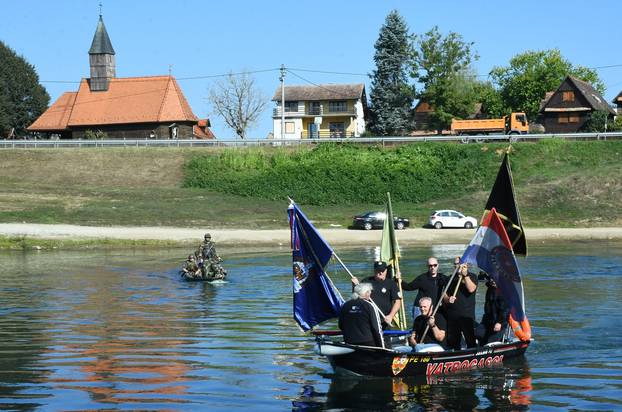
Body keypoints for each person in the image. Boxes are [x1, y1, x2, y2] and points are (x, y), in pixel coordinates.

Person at [351, 261, 402, 329]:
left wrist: (390, 316)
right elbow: (356, 298)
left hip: (384, 320)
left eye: (382, 271)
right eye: (378, 271)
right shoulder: (366, 281)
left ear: (386, 270)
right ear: (374, 270)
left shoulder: (391, 283)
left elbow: (397, 302)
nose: (380, 273)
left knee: (385, 338)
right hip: (368, 319)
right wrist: (354, 286)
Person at [443, 257, 478, 350]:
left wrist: (465, 275)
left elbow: (471, 289)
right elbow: (444, 295)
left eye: (459, 264)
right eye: (455, 264)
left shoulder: (472, 276)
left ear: (466, 265)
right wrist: (448, 299)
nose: (457, 266)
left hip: (467, 315)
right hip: (452, 315)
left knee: (470, 341)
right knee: (454, 343)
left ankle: (473, 358)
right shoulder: (450, 278)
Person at [338, 283, 384, 347]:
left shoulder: (345, 305)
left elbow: (340, 325)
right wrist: (382, 346)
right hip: (367, 343)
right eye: (370, 292)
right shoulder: (370, 305)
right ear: (366, 293)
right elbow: (377, 329)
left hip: (349, 342)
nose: (370, 294)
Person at [476, 274, 509, 345]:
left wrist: (499, 322)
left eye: (495, 280)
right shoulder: (490, 287)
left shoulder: (505, 292)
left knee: (490, 343)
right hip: (487, 320)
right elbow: (481, 277)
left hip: (499, 321)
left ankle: (498, 340)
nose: (492, 281)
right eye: (491, 279)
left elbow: (505, 310)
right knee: (478, 333)